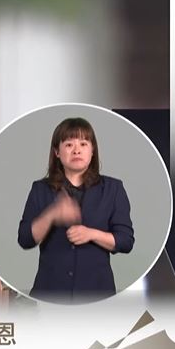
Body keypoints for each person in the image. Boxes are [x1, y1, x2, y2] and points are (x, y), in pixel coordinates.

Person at [17, 118, 135, 303]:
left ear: (92, 150)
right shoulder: (41, 189)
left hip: (97, 295)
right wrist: (51, 215)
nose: (76, 150)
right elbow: (25, 239)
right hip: (49, 294)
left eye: (83, 144)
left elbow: (126, 241)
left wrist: (91, 234)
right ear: (57, 152)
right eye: (69, 144)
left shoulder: (113, 189)